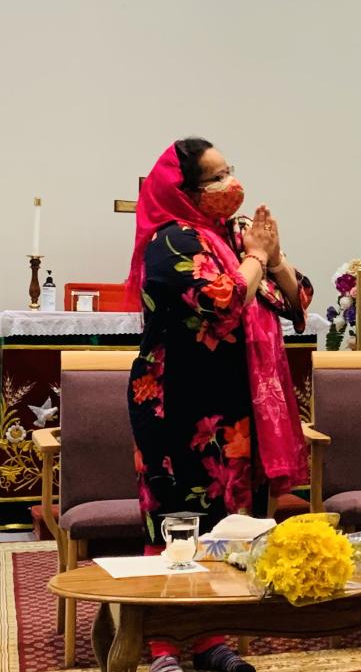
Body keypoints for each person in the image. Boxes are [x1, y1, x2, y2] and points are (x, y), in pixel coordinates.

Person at [126, 138, 313, 672]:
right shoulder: (171, 242)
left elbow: (296, 299)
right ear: (182, 190)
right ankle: (163, 647)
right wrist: (256, 257)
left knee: (226, 524)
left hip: (232, 411)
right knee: (174, 522)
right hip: (176, 407)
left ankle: (211, 639)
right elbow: (225, 300)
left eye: (229, 170)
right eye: (215, 177)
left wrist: (274, 258)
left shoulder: (232, 236)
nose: (230, 184)